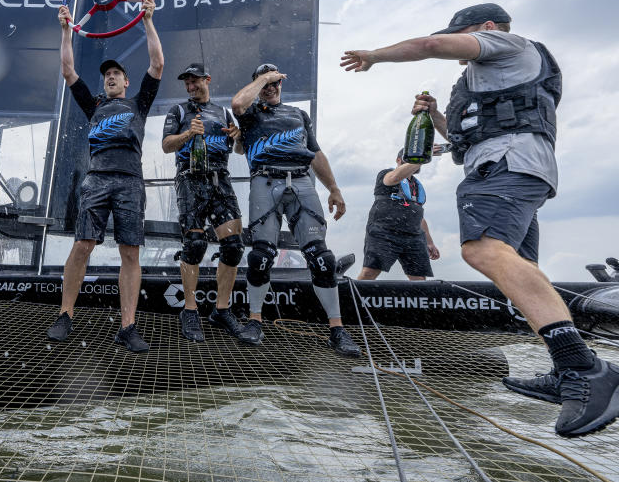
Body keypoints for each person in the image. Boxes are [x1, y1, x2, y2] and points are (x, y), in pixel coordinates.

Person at [340, 2, 619, 438]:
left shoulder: (507, 44)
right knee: (521, 268)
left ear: (488, 28)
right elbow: (463, 137)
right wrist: (433, 115)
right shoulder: (495, 76)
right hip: (517, 168)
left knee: (482, 249)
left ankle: (583, 368)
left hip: (505, 166)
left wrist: (374, 55)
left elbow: (430, 45)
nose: (457, 48)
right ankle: (563, 366)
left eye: (462, 35)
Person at [46, 0, 163, 352]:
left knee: (131, 252)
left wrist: (147, 20)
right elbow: (68, 70)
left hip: (129, 182)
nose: (110, 77)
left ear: (126, 82)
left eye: (116, 74)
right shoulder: (93, 103)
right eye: (107, 75)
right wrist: (66, 31)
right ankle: (65, 314)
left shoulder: (138, 103)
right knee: (83, 245)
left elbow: (157, 63)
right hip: (96, 180)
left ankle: (128, 327)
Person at [231, 64, 361, 355]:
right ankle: (254, 321)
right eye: (266, 81)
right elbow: (238, 103)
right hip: (265, 180)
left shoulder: (299, 115)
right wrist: (263, 78)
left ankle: (337, 330)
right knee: (261, 255)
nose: (272, 85)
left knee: (322, 258)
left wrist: (335, 189)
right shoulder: (250, 114)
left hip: (302, 181)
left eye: (276, 80)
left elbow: (315, 153)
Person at [161, 63, 257, 344]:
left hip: (220, 179)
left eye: (194, 82)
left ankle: (221, 310)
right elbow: (166, 145)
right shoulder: (178, 111)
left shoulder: (224, 112)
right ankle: (189, 310)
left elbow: (238, 150)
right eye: (186, 83)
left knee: (234, 246)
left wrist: (238, 138)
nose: (191, 87)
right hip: (190, 179)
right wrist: (189, 133)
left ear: (207, 80)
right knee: (195, 244)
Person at [357, 148, 440, 281]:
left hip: (413, 236)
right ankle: (349, 301)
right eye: (411, 158)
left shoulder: (415, 186)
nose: (415, 161)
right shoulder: (387, 174)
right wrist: (423, 156)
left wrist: (430, 242)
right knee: (369, 272)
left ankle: (418, 301)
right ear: (398, 160)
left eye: (417, 158)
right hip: (384, 232)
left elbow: (419, 216)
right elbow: (395, 177)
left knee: (419, 279)